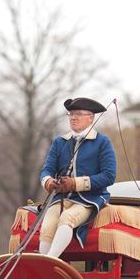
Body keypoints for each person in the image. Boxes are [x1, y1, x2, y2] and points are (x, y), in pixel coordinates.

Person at [38, 97, 117, 258]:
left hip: (90, 199)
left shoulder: (102, 142)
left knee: (67, 218)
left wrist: (75, 184)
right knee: (47, 225)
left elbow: (109, 176)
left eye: (79, 114)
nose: (73, 117)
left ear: (91, 118)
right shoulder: (60, 142)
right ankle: (43, 264)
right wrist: (49, 182)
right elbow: (46, 170)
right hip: (60, 198)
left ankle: (50, 260)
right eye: (71, 114)